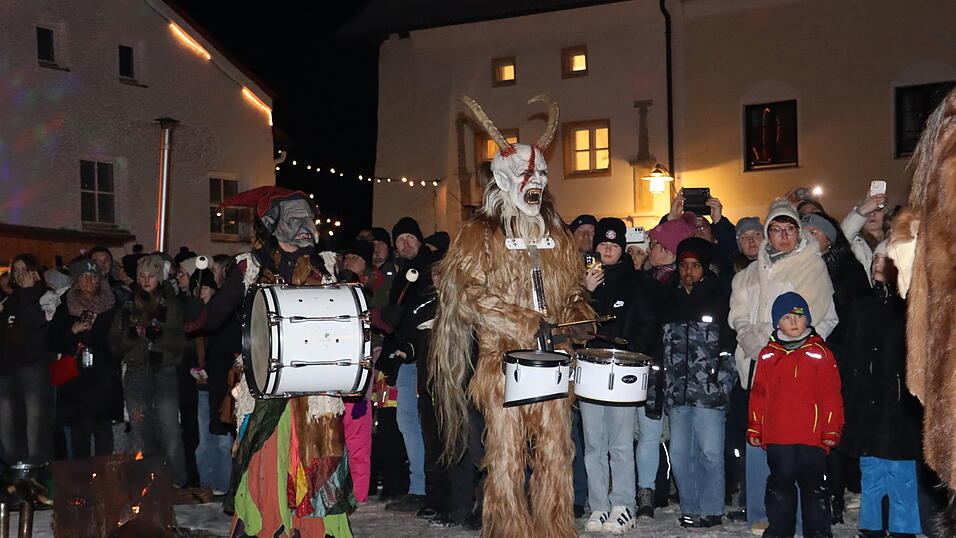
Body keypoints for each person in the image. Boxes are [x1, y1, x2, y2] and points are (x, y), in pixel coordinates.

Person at [431, 95, 592, 538]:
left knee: (558, 451)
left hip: (554, 361)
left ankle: (554, 527)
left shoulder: (558, 237)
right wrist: (521, 321)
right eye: (525, 172)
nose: (535, 180)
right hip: (502, 363)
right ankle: (508, 530)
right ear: (503, 179)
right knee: (505, 455)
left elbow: (573, 289)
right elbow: (468, 294)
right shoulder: (478, 235)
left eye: (541, 172)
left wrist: (578, 315)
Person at [186, 186, 353, 536]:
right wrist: (191, 311)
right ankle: (269, 525)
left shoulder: (326, 265)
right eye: (295, 218)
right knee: (267, 454)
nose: (305, 226)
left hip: (316, 390)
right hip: (266, 384)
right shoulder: (250, 267)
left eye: (308, 217)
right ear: (272, 224)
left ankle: (314, 530)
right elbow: (213, 316)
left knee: (318, 459)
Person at [730, 198, 838, 534]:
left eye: (789, 228)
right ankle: (765, 516)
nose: (783, 235)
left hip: (797, 371)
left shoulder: (812, 266)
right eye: (776, 230)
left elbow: (814, 313)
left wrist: (773, 345)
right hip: (757, 366)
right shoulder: (750, 272)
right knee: (762, 440)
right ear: (767, 233)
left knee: (800, 451)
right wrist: (749, 337)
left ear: (797, 232)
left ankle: (809, 523)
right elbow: (738, 312)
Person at [652, 237, 737, 529]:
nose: (688, 272)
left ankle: (712, 508)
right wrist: (661, 385)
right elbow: (660, 347)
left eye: (695, 266)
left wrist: (722, 383)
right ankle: (690, 505)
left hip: (709, 391)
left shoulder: (720, 296)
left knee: (711, 452)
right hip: (677, 392)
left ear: (706, 267)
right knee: (679, 452)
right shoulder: (667, 299)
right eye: (683, 265)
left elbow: (729, 347)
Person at [580, 218, 657, 534]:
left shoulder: (637, 283)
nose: (608, 248)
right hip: (590, 371)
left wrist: (632, 355)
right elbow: (574, 326)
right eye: (602, 243)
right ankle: (599, 505)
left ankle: (623, 504)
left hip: (621, 372)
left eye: (613, 244)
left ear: (623, 248)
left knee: (621, 444)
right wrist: (586, 294)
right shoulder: (583, 283)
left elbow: (648, 325)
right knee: (593, 445)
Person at [841, 243, 923, 538]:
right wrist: (850, 391)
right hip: (865, 401)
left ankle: (904, 530)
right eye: (875, 257)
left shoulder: (911, 305)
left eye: (885, 258)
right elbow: (850, 352)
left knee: (901, 473)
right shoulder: (861, 303)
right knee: (871, 469)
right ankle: (871, 527)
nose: (877, 263)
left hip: (900, 403)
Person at [748, 292, 843, 538]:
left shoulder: (820, 354)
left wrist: (832, 428)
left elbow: (832, 395)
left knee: (814, 490)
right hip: (779, 435)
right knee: (780, 488)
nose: (793, 322)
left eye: (798, 317)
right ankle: (780, 532)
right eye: (787, 317)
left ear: (808, 321)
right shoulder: (768, 355)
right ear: (777, 322)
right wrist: (755, 427)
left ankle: (818, 533)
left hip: (811, 438)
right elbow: (759, 394)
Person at [802, 212, 869, 522]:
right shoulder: (801, 266)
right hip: (806, 357)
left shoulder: (847, 270)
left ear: (829, 238)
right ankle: (815, 492)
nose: (809, 237)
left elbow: (856, 319)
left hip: (839, 357)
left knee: (833, 429)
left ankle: (835, 497)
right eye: (806, 232)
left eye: (815, 232)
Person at [110, 254, 188, 485]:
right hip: (136, 371)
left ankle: (176, 481)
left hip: (164, 371)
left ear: (159, 278)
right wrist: (131, 336)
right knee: (141, 428)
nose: (146, 281)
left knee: (169, 427)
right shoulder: (128, 304)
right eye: (142, 276)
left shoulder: (172, 304)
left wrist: (160, 335)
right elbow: (114, 342)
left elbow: (180, 342)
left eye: (151, 276)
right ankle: (149, 482)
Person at [379, 217, 434, 513]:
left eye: (410, 238)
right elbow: (396, 323)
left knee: (424, 422)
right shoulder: (401, 276)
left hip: (424, 357)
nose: (405, 244)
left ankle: (427, 486)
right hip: (404, 358)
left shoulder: (429, 270)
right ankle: (418, 485)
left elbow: (419, 318)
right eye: (399, 240)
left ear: (420, 240)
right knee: (407, 422)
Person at [48, 258, 122, 458]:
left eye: (93, 276)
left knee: (103, 430)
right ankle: (81, 482)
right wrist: (72, 331)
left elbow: (119, 342)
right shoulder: (66, 304)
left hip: (103, 377)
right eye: (84, 276)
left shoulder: (112, 304)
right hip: (77, 377)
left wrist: (100, 332)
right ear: (76, 281)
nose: (89, 281)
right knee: (80, 430)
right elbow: (52, 340)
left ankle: (104, 480)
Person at [0, 254, 55, 467]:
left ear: (35, 273)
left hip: (34, 367)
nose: (19, 275)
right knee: (7, 423)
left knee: (35, 425)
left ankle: (37, 472)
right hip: (7, 368)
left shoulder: (45, 296)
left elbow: (35, 324)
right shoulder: (10, 300)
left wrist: (30, 291)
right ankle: (15, 472)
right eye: (16, 271)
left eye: (24, 270)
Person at [841, 190, 888, 283]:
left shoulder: (895, 242)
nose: (872, 214)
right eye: (869, 211)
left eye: (877, 210)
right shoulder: (854, 243)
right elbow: (842, 236)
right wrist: (862, 210)